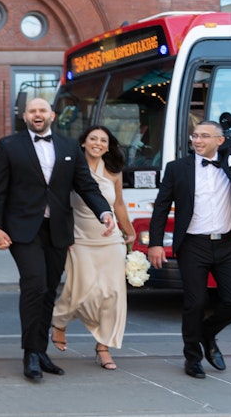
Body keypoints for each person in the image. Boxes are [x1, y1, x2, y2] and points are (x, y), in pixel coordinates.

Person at [0, 98, 114, 381]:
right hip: (22, 229)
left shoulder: (69, 147)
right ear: (24, 116)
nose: (38, 114)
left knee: (48, 289)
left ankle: (41, 351)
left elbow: (86, 185)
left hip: (57, 229)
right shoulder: (9, 146)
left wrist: (104, 212)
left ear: (52, 115)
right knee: (34, 284)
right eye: (32, 110)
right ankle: (30, 353)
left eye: (43, 110)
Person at [148, 110, 231, 379]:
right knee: (195, 301)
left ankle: (207, 333)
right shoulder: (177, 169)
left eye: (203, 136)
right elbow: (161, 208)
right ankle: (192, 358)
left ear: (220, 141)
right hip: (193, 245)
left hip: (225, 245)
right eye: (194, 136)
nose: (197, 141)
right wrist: (155, 243)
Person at [51, 126, 135, 371]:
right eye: (93, 139)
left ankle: (103, 346)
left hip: (110, 239)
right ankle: (59, 321)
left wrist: (129, 230)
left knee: (112, 294)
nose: (98, 143)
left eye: (103, 140)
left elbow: (118, 204)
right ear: (84, 143)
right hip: (79, 238)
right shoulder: (69, 169)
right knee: (81, 289)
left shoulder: (114, 172)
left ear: (108, 147)